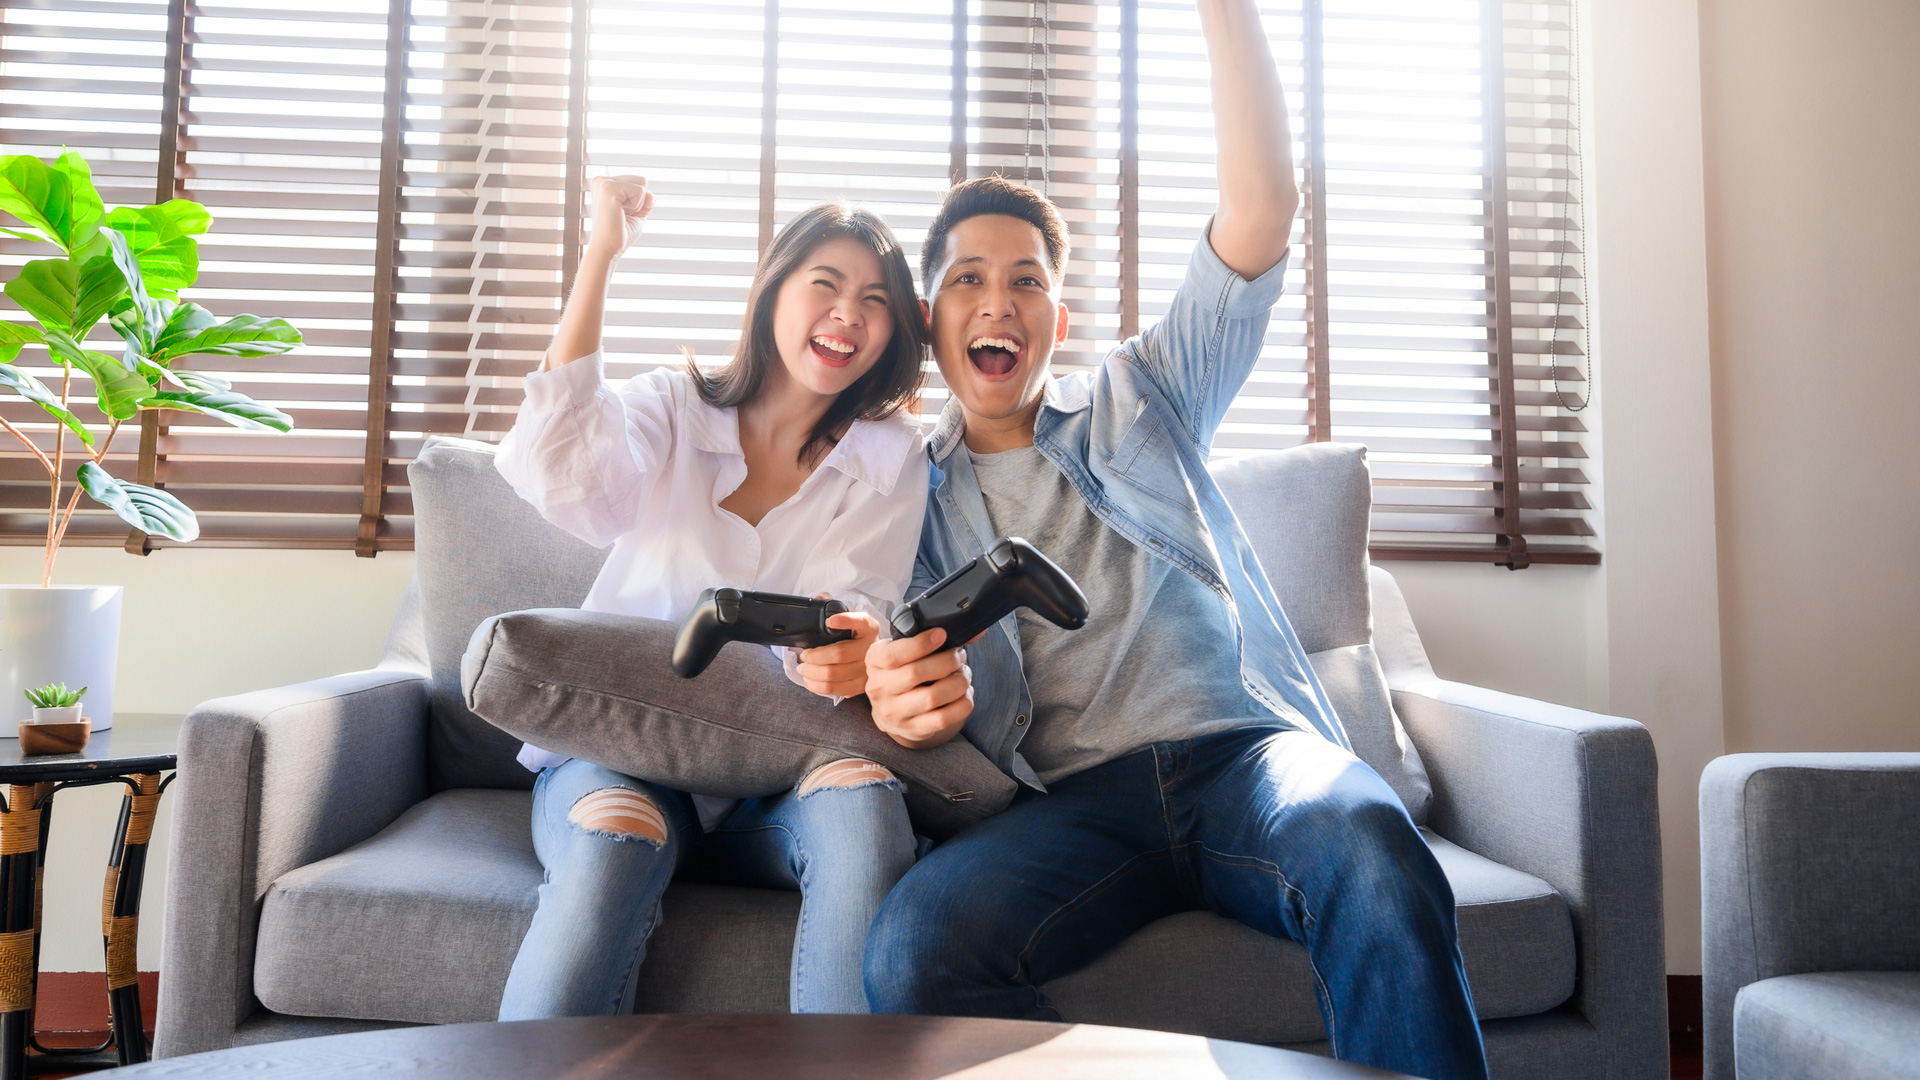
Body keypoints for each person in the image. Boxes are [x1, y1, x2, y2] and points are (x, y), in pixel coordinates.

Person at [855, 2, 1490, 1076]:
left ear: (1058, 323)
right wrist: (896, 695)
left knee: (1372, 847)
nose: (996, 301)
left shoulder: (1143, 397)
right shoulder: (893, 493)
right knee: (915, 945)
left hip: (1248, 757)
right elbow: (880, 654)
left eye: (1026, 282)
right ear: (930, 321)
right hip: (1071, 809)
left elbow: (1262, 205)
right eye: (968, 278)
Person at [493, 179, 929, 1019]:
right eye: (826, 286)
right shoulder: (672, 406)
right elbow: (564, 474)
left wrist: (849, 649)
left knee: (865, 807)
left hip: (781, 770)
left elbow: (861, 598)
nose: (848, 314)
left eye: (874, 300)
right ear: (773, 291)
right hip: (624, 752)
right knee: (616, 837)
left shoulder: (892, 458)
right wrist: (600, 255)